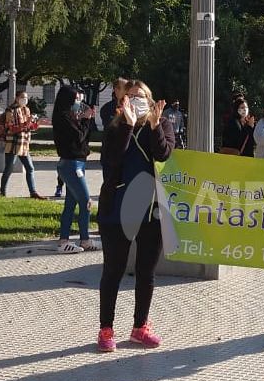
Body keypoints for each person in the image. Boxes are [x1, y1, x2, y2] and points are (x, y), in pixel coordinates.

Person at [95, 80, 174, 352]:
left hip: (151, 210)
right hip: (117, 210)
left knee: (146, 272)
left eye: (141, 96)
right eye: (130, 96)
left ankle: (140, 327)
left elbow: (163, 155)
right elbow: (111, 160)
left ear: (150, 101)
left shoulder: (162, 125)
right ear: (123, 101)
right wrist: (128, 125)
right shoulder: (115, 127)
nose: (136, 100)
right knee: (113, 271)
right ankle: (106, 329)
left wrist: (154, 126)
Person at [52, 86, 96, 254]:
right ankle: (79, 240)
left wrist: (86, 120)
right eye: (76, 99)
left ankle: (71, 239)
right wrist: (85, 120)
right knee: (86, 201)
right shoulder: (63, 117)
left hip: (78, 163)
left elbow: (84, 139)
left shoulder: (71, 117)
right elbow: (78, 136)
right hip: (71, 164)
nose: (79, 102)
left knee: (70, 204)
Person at [0, 90, 45, 199]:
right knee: (9, 168)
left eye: (26, 98)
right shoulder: (10, 110)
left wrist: (36, 124)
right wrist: (27, 123)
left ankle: (33, 192)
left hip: (23, 144)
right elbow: (11, 128)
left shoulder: (26, 109)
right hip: (13, 143)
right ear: (17, 98)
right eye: (23, 97)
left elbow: (29, 127)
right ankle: (2, 192)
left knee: (30, 168)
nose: (25, 100)